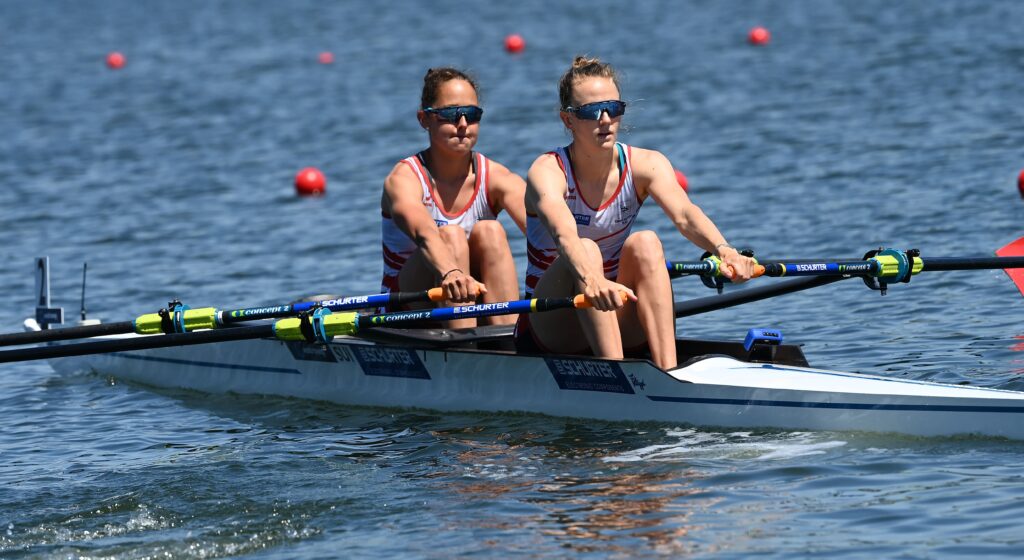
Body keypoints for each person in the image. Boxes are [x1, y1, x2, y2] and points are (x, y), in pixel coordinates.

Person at [517, 56, 757, 368]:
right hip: (552, 323)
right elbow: (564, 234)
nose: (605, 119)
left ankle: (669, 373)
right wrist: (591, 278)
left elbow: (685, 214)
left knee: (647, 243)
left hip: (612, 311)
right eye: (592, 111)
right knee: (586, 249)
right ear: (568, 120)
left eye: (613, 108)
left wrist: (725, 251)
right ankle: (619, 377)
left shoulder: (646, 164)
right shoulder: (548, 171)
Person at [381, 67, 527, 328]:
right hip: (408, 306)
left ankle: (508, 344)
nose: (462, 125)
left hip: (474, 296)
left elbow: (547, 228)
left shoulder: (496, 176)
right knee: (450, 235)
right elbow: (425, 232)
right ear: (424, 119)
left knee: (491, 231)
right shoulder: (404, 179)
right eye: (450, 115)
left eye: (471, 115)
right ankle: (466, 350)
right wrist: (451, 272)